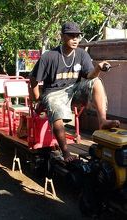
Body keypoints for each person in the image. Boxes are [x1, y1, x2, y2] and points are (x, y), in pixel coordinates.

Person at [30, 21, 120, 162]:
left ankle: (102, 121)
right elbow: (34, 79)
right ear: (62, 37)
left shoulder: (82, 54)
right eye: (71, 36)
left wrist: (98, 67)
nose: (75, 39)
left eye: (77, 36)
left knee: (96, 82)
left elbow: (89, 76)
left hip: (74, 90)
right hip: (54, 92)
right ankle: (65, 152)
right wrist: (37, 98)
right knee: (55, 108)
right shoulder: (49, 56)